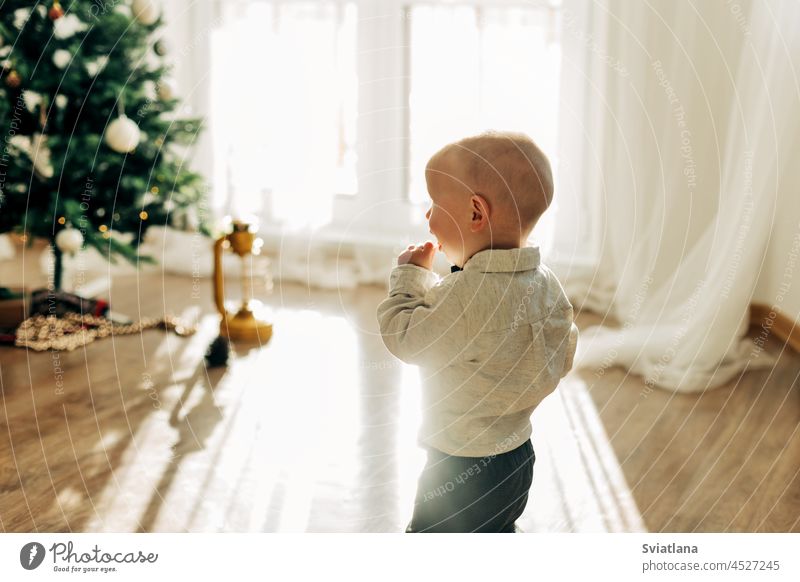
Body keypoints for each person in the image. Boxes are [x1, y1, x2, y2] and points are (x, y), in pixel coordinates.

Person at [377, 130, 578, 532]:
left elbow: (404, 336)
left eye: (434, 204)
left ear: (474, 213)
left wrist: (410, 277)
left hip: (460, 466)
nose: (427, 217)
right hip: (518, 453)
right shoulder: (545, 284)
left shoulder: (463, 297)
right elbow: (564, 350)